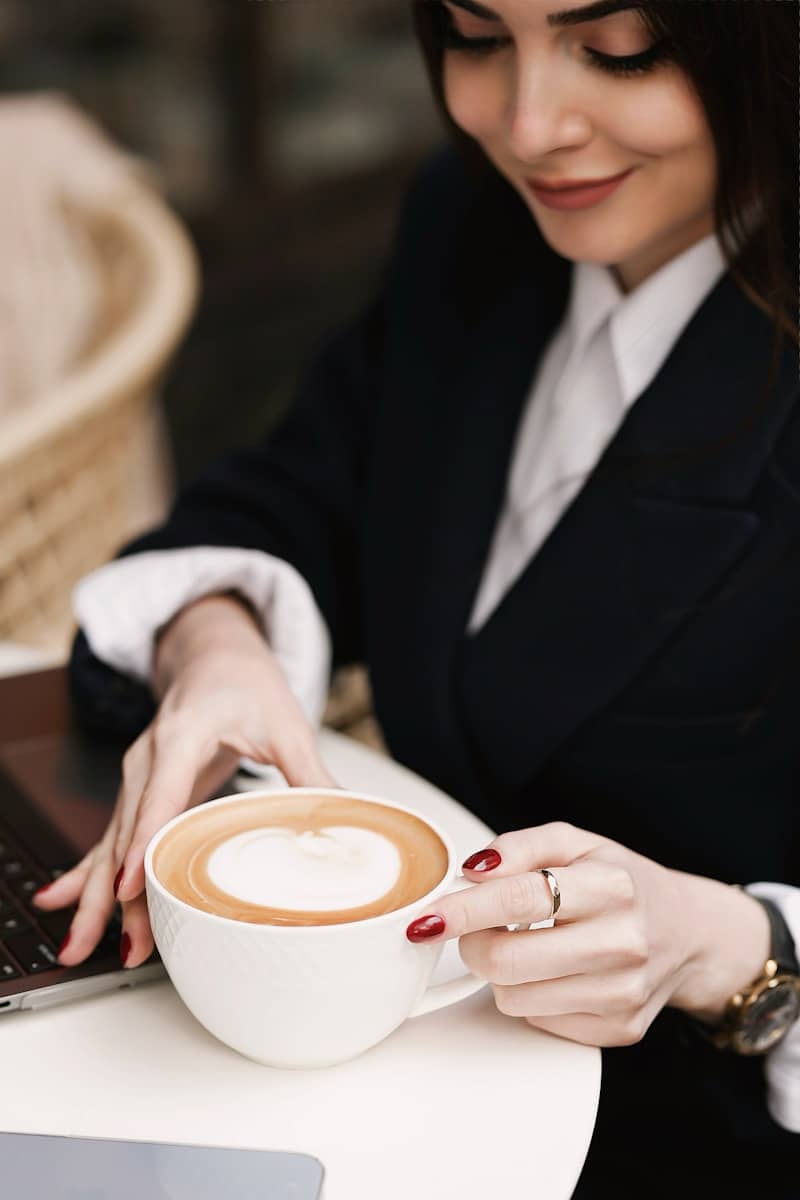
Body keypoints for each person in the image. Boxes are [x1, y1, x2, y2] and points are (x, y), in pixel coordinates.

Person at [34, 1, 798, 1194]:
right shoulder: (476, 230)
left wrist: (735, 952)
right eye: (475, 36)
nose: (529, 124)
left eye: (615, 49)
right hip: (368, 1090)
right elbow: (282, 495)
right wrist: (216, 647)